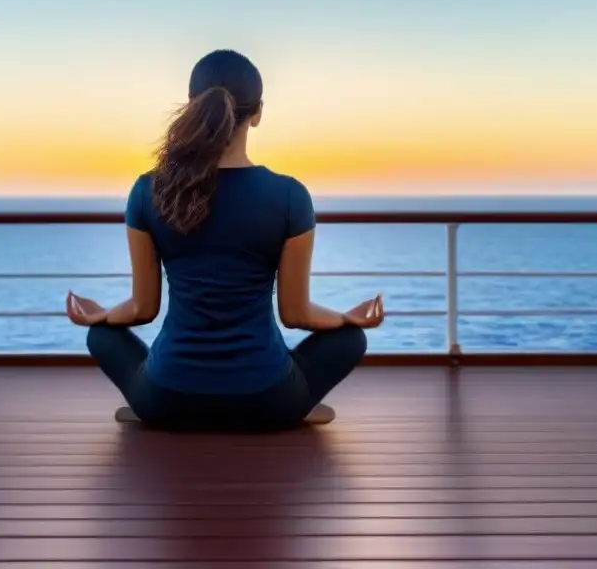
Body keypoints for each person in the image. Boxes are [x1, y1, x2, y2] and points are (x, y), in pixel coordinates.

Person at [65, 49, 385, 431]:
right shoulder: (290, 197)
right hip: (268, 401)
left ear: (190, 106)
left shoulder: (148, 191)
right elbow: (296, 314)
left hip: (166, 399)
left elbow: (142, 309)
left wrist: (101, 316)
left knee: (101, 336)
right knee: (351, 341)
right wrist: (348, 319)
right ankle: (289, 400)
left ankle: (165, 394)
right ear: (259, 112)